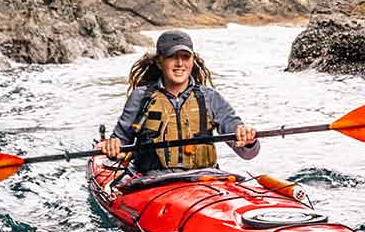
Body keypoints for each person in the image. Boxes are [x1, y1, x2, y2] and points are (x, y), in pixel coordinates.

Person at [98, 30, 258, 173]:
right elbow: (120, 141)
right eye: (172, 57)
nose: (180, 64)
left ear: (192, 60)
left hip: (203, 179)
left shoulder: (210, 97)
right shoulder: (141, 97)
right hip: (152, 184)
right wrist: (112, 147)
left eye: (185, 57)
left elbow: (248, 153)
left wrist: (247, 139)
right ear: (160, 62)